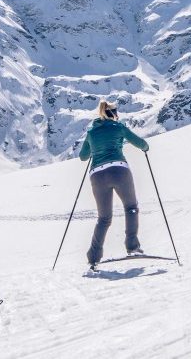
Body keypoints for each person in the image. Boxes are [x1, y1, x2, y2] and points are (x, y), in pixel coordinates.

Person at [78, 99, 150, 269]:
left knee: (104, 218)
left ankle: (94, 257)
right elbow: (140, 143)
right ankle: (132, 246)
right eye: (116, 112)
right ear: (113, 114)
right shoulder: (118, 127)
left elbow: (83, 156)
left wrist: (94, 148)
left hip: (97, 175)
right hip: (119, 171)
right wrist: (146, 148)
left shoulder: (91, 133)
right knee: (131, 207)